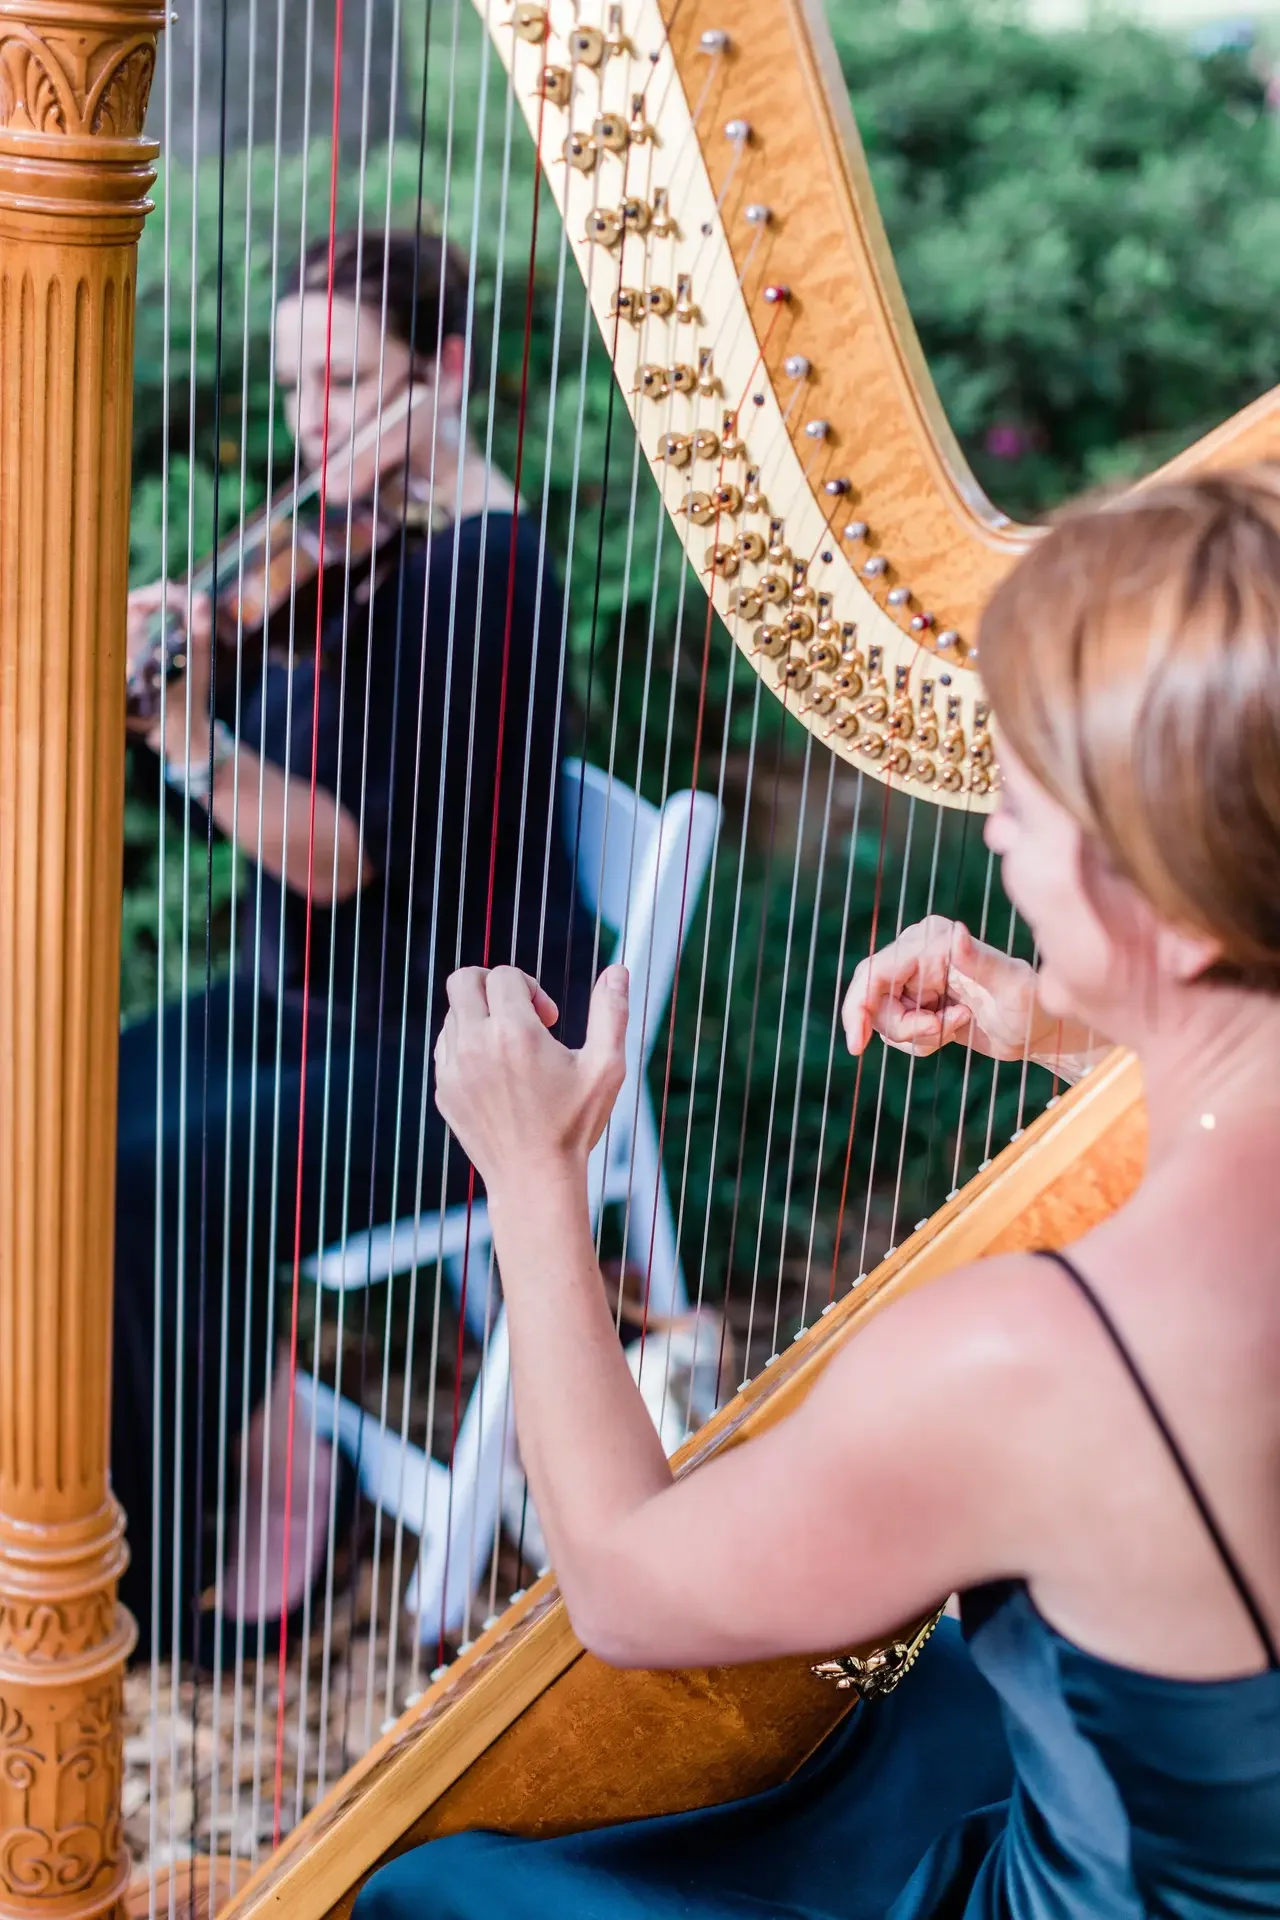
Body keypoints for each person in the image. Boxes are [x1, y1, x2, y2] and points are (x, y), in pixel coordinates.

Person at [354, 467, 1280, 1917]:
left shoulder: (1031, 1359)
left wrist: (533, 1179)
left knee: (437, 1895)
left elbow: (625, 1587)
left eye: (1020, 800)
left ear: (1149, 892)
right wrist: (1086, 1020)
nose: (986, 834)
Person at [116, 227, 597, 1663]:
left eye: (347, 380)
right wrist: (185, 637)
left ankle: (261, 1518)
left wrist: (194, 744)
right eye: (295, 386)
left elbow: (333, 860)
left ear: (443, 376)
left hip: (458, 1061)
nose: (313, 419)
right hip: (309, 1002)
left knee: (150, 1173)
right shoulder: (360, 537)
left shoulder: (482, 576)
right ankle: (224, 1453)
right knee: (64, 1110)